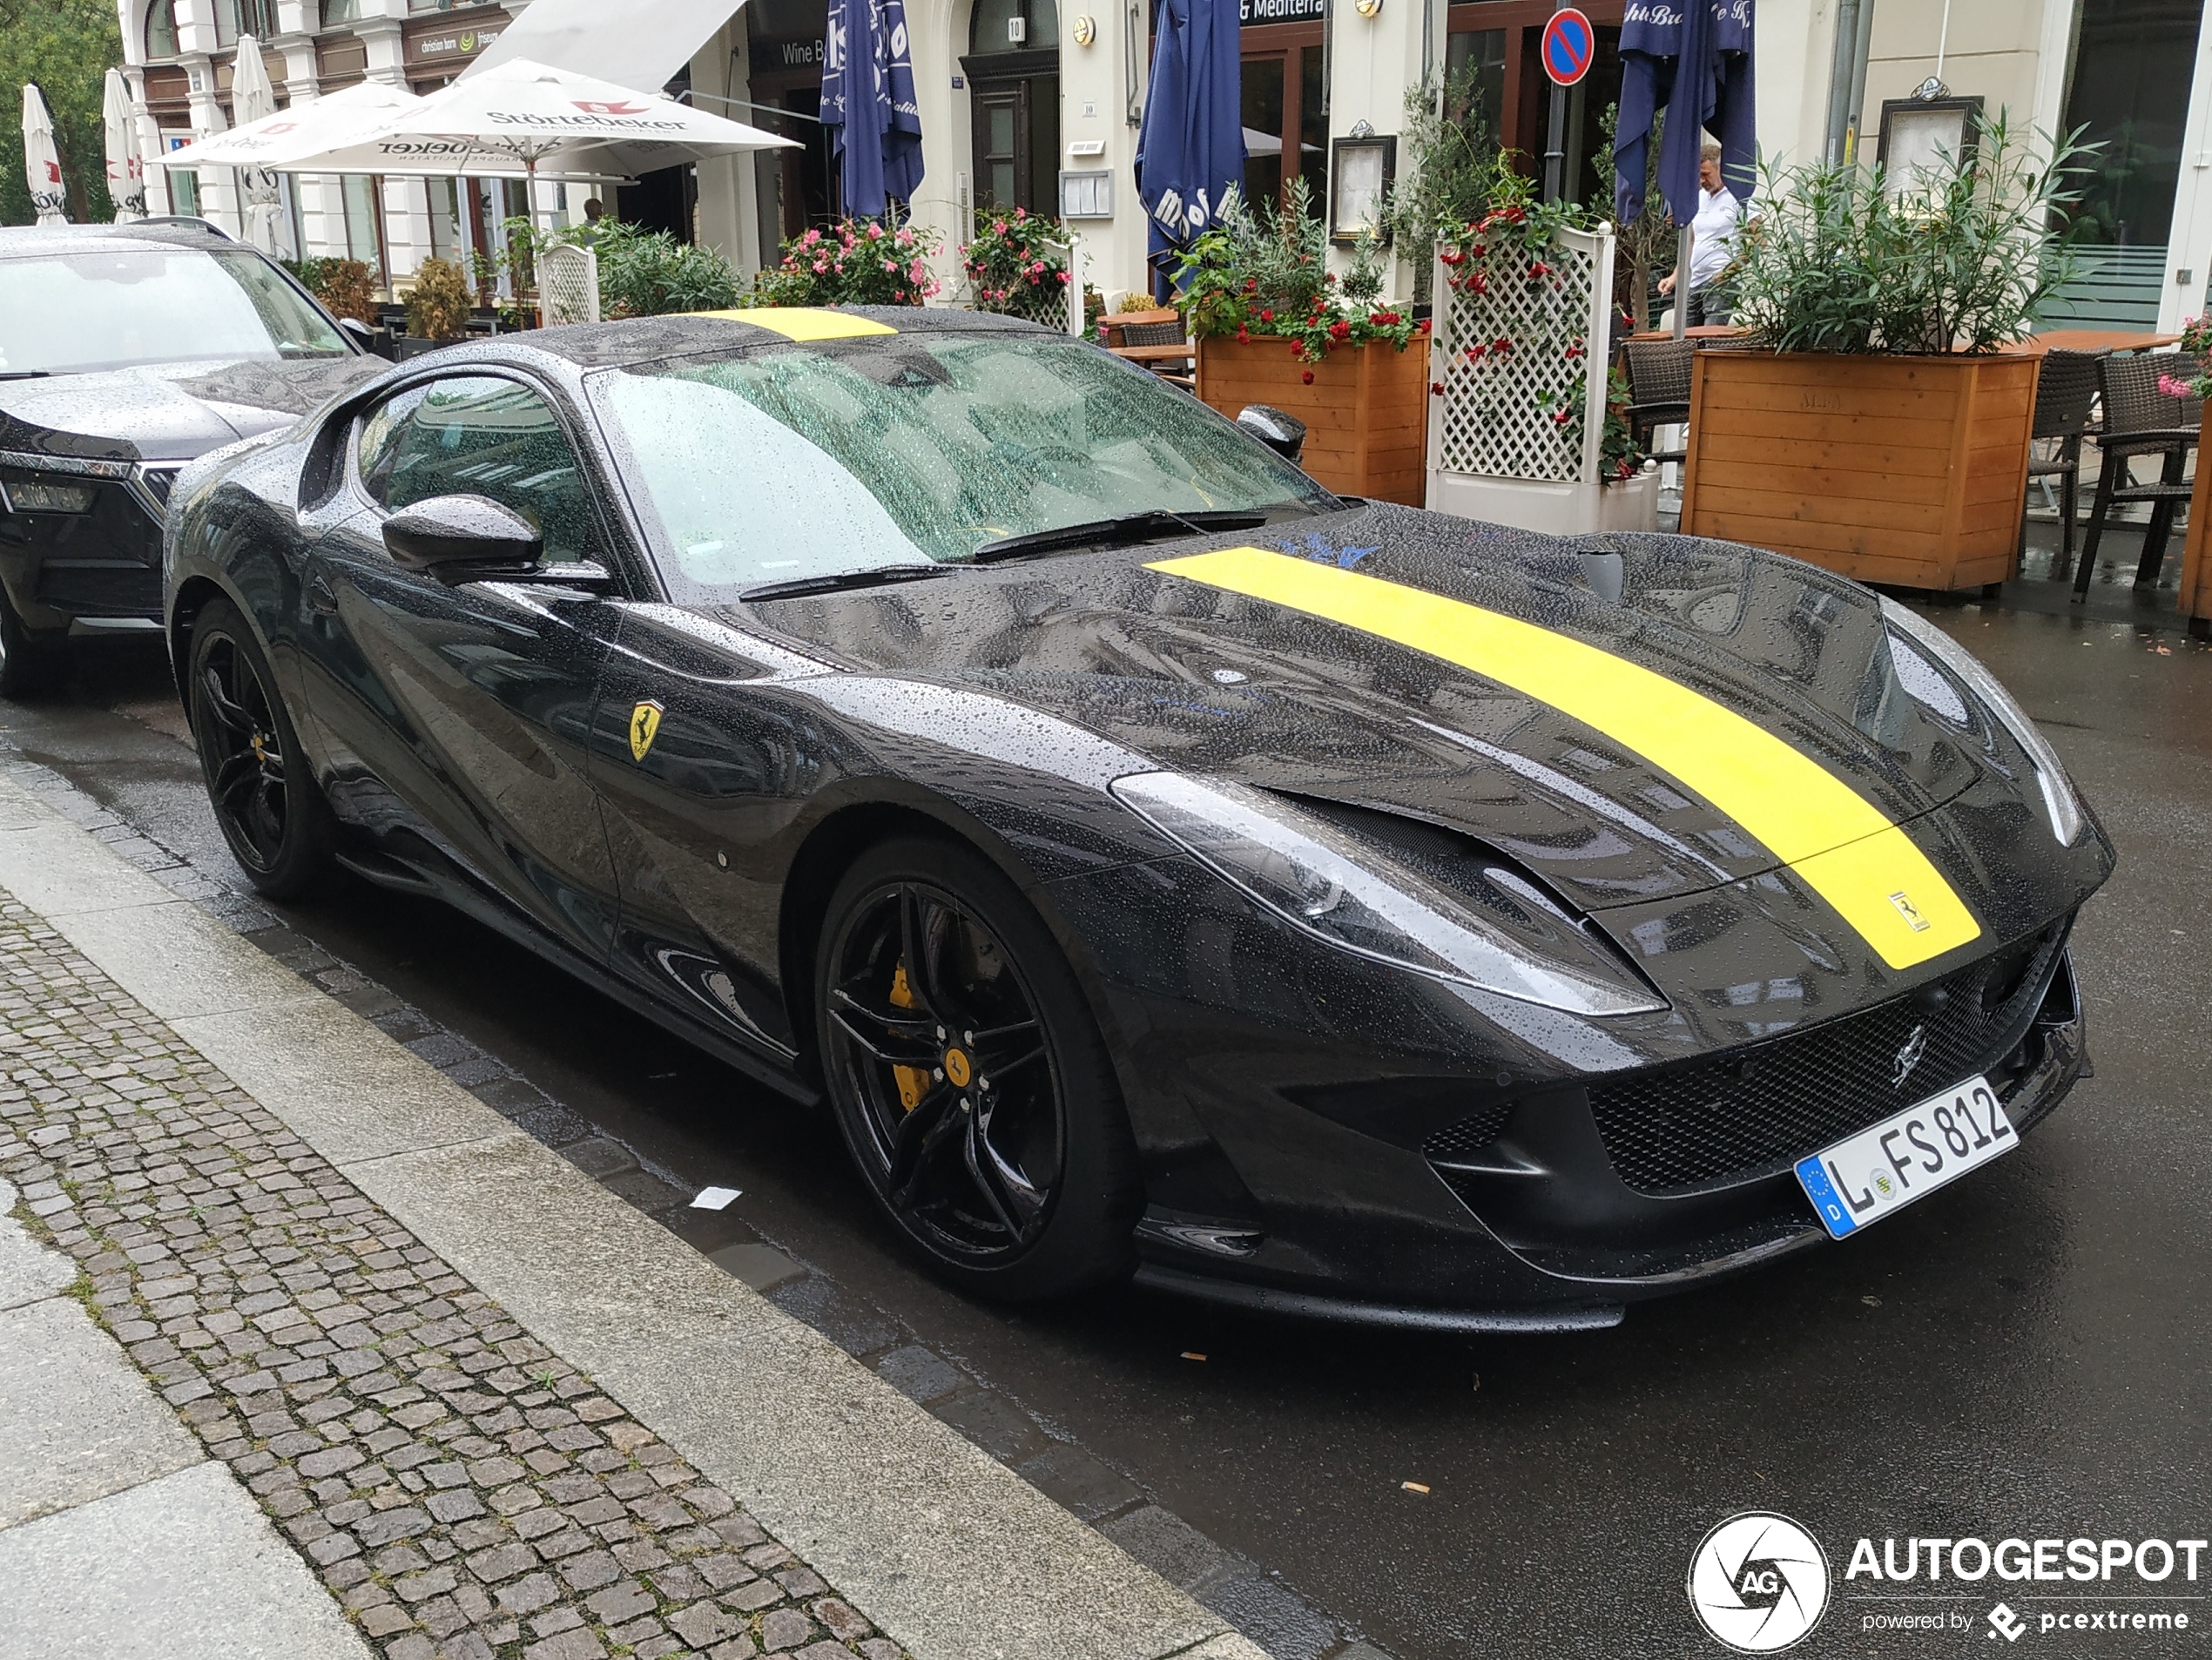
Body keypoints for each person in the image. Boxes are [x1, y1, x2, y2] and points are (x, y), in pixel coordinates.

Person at [1657, 138, 1743, 327]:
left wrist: (1727, 273)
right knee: (1686, 339)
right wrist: (1675, 276)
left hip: (1722, 284)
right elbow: (1693, 243)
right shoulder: (1699, 198)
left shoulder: (1739, 196)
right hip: (1696, 281)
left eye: (1706, 175)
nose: (1701, 180)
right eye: (1698, 175)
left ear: (1721, 169)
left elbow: (1758, 240)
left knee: (1708, 341)